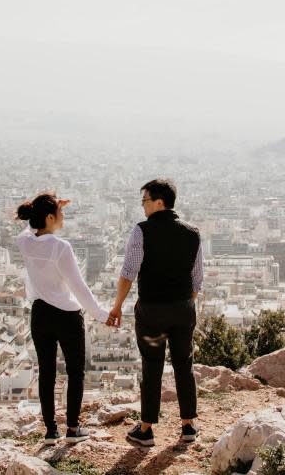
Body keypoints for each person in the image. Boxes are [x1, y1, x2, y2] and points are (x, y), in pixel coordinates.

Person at [107, 179, 203, 446]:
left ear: (159, 203)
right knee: (185, 364)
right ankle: (189, 427)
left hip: (152, 312)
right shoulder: (192, 232)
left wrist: (117, 306)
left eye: (145, 201)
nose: (143, 207)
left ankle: (147, 429)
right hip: (183, 310)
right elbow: (197, 279)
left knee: (152, 366)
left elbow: (128, 273)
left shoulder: (142, 231)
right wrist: (183, 304)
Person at [16, 192, 112, 445]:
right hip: (67, 316)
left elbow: (29, 228)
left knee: (46, 372)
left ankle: (50, 430)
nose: (63, 216)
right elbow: (79, 287)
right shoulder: (61, 247)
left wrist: (47, 207)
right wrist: (102, 315)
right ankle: (72, 428)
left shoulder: (25, 243)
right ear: (50, 217)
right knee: (75, 372)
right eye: (60, 212)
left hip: (39, 314)